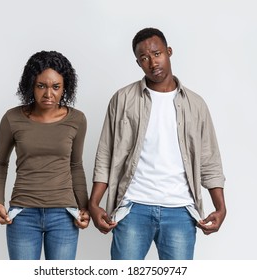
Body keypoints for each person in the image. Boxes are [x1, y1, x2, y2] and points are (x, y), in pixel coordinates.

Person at [89, 28, 226, 260]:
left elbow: (209, 160)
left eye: (157, 53)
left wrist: (220, 207)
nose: (152, 62)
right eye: (144, 58)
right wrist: (94, 203)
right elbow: (105, 154)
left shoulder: (196, 104)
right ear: (138, 63)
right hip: (132, 208)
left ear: (169, 52)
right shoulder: (122, 99)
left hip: (181, 211)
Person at [0, 50, 90, 260]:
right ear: (31, 85)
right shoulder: (12, 118)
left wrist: (84, 208)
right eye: (41, 86)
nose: (48, 94)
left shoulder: (77, 120)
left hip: (64, 215)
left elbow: (76, 166)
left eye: (56, 87)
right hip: (23, 214)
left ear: (65, 87)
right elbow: (0, 162)